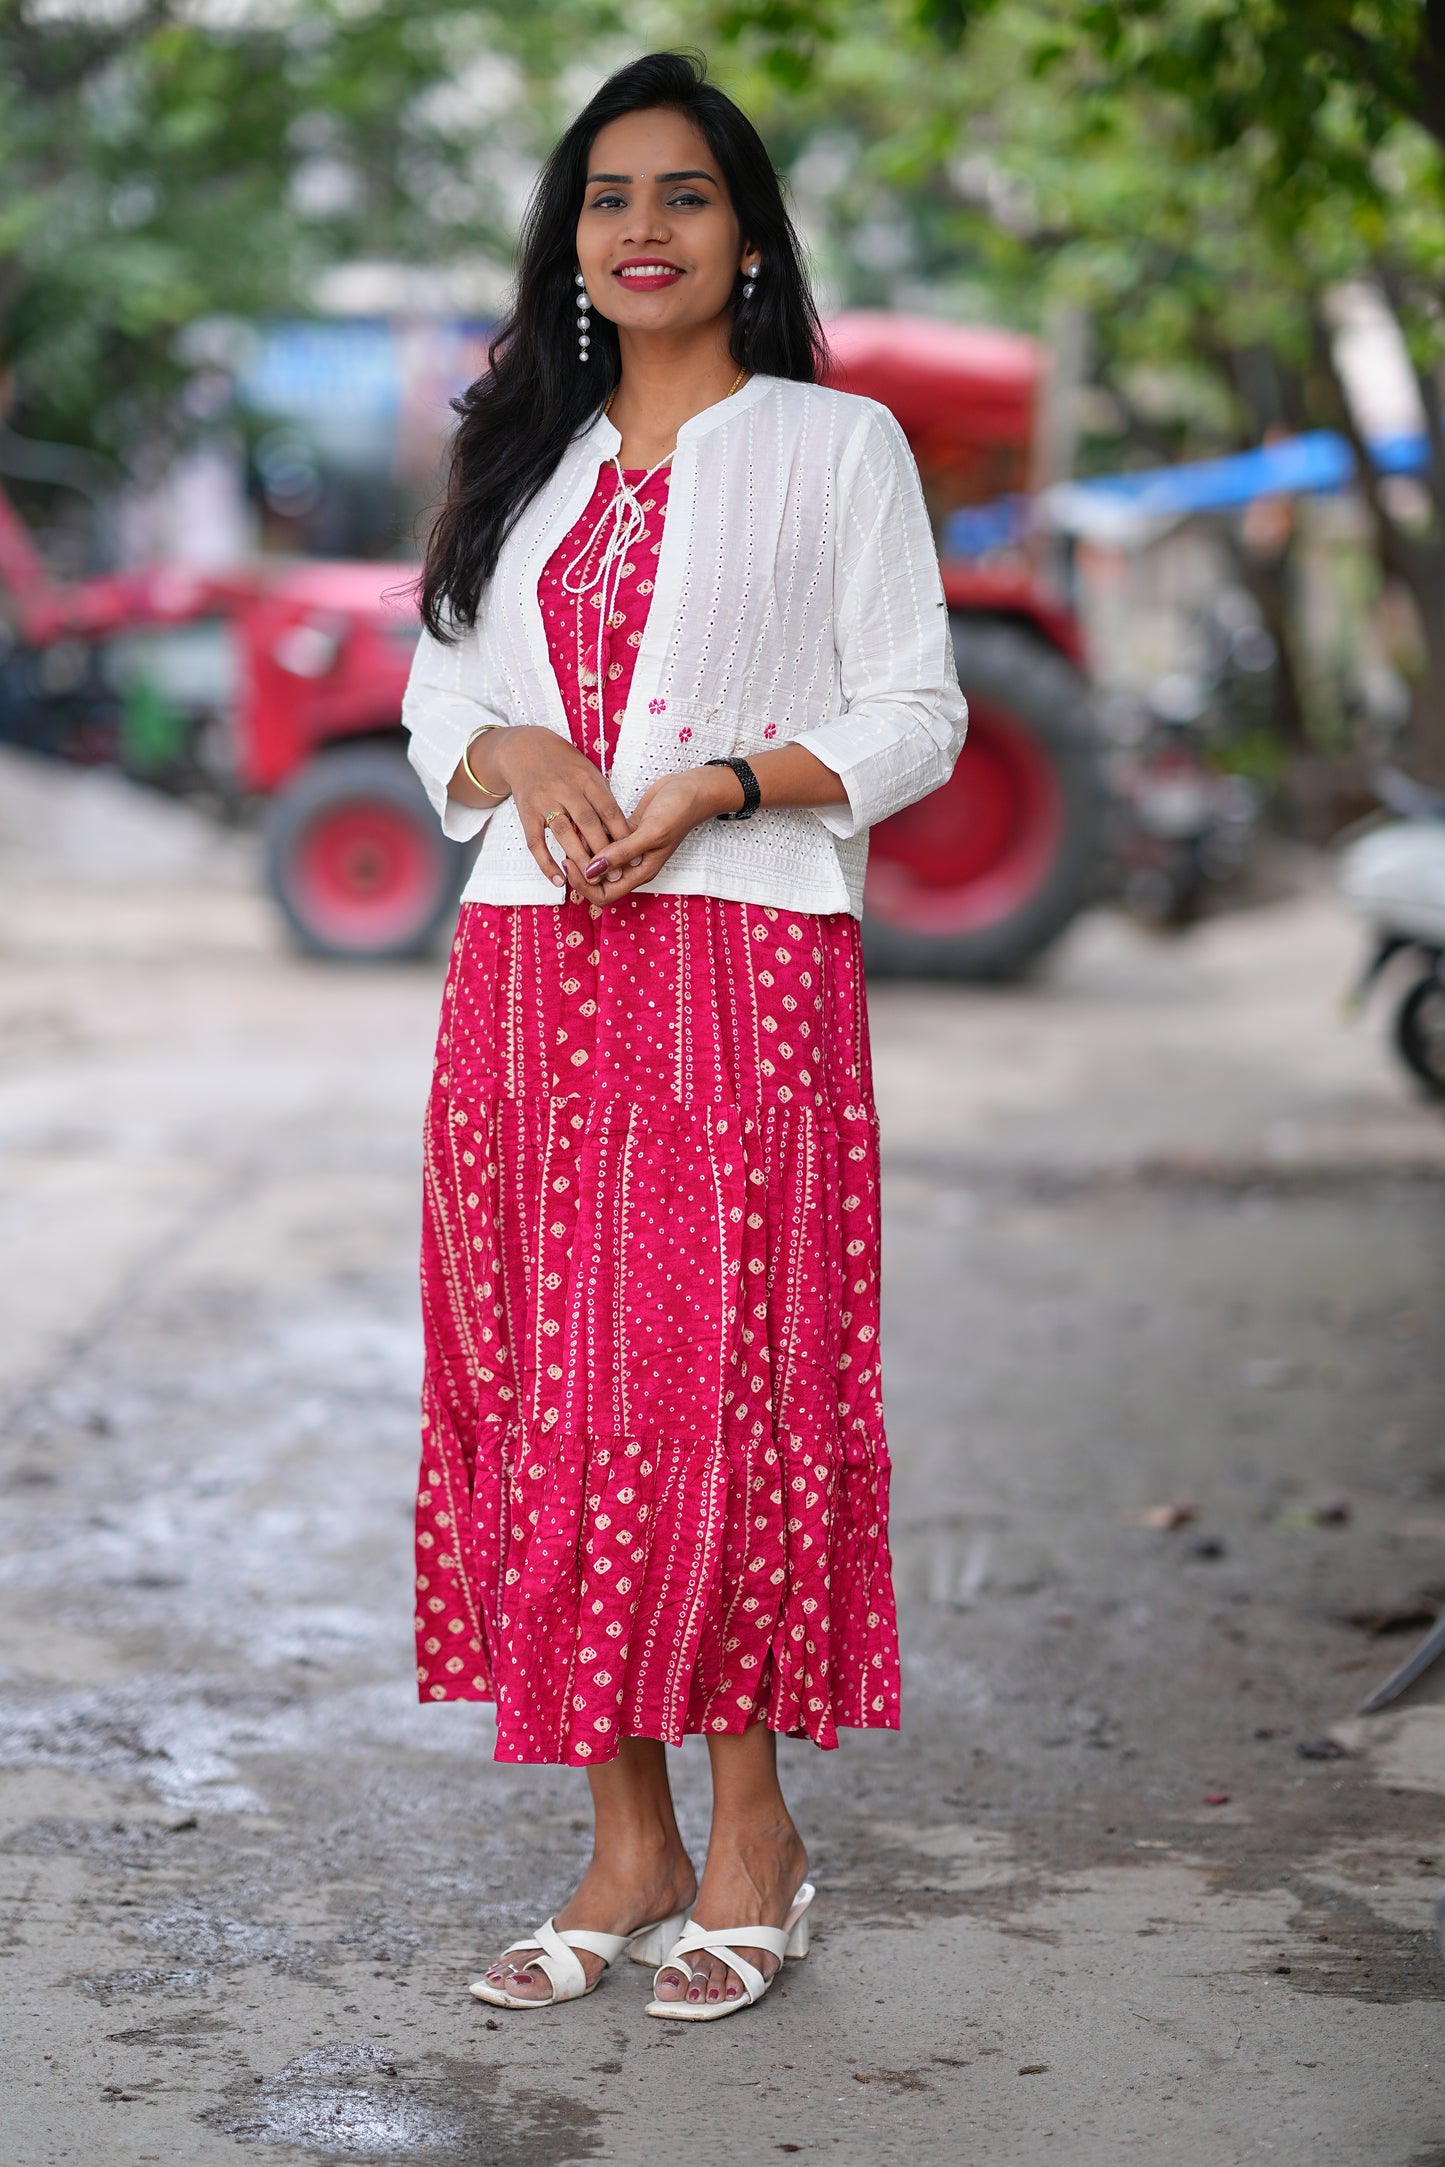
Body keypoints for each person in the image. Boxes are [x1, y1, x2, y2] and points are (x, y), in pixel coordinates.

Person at [402, 48, 967, 2024]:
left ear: (746, 237)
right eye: (610, 198)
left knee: (724, 1379)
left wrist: (722, 781)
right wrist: (520, 742)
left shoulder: (837, 445)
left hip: (741, 963)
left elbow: (919, 715)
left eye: (687, 197)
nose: (644, 229)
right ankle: (620, 1839)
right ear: (573, 240)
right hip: (526, 981)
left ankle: (756, 1838)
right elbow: (431, 707)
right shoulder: (520, 457)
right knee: (550, 1383)